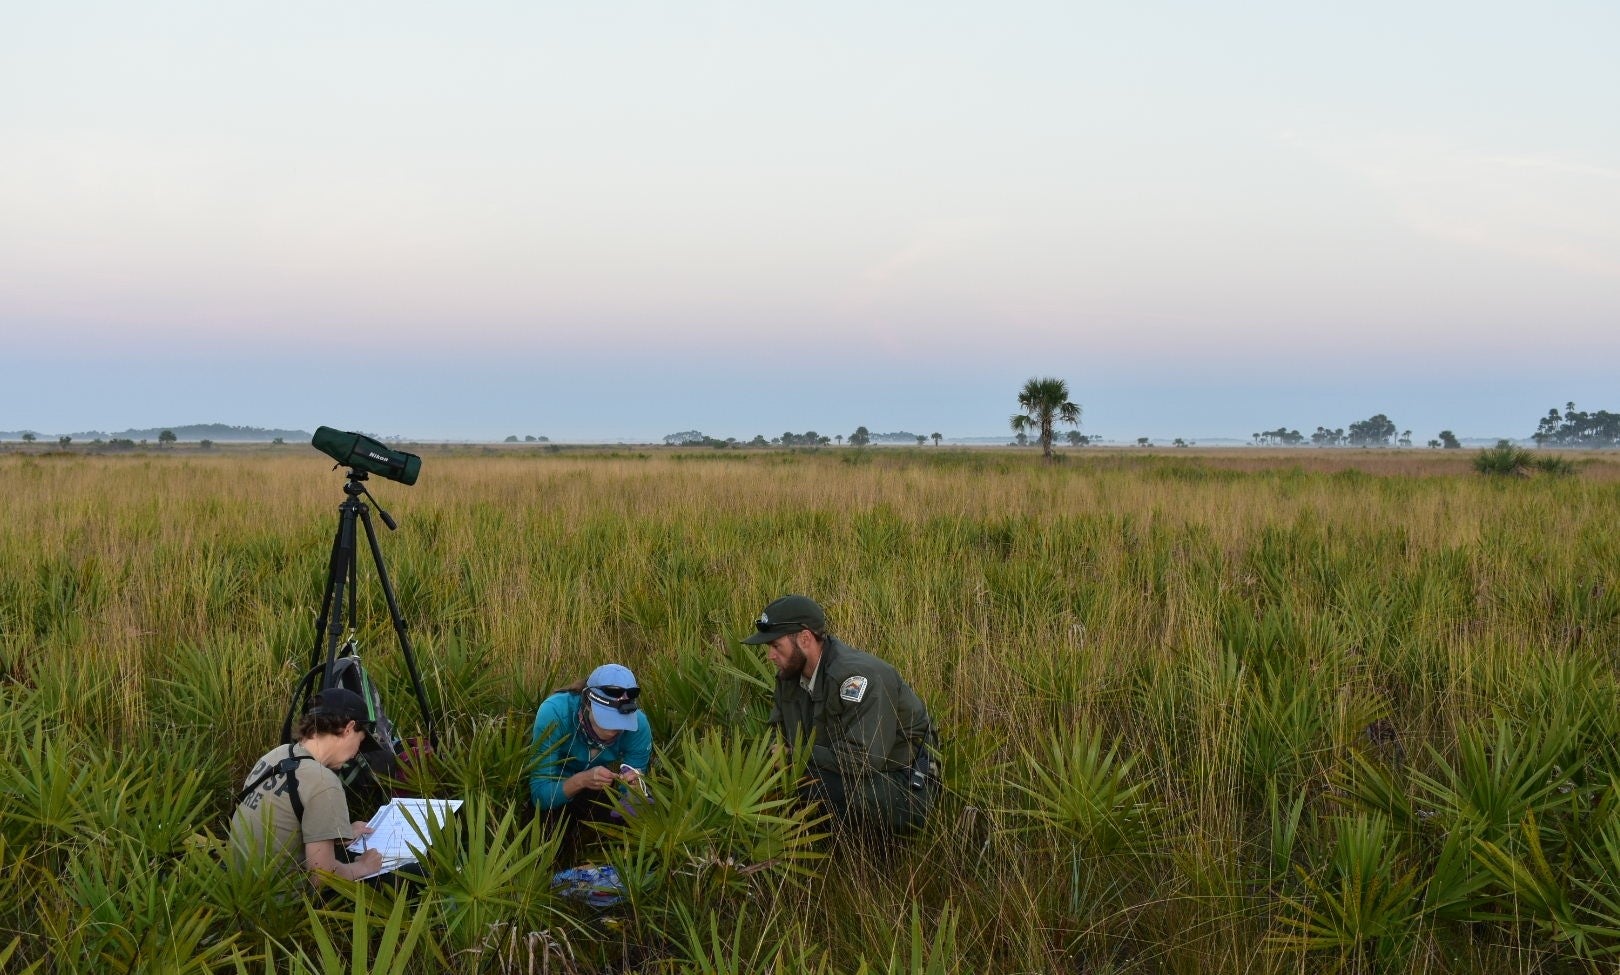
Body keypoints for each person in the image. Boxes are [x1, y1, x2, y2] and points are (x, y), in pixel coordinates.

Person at [743, 594, 938, 837]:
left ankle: (870, 852)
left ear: (805, 639)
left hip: (903, 786)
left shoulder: (858, 677)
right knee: (767, 771)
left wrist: (797, 754)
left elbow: (864, 759)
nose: (770, 656)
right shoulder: (790, 677)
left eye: (775, 646)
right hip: (841, 773)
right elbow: (779, 731)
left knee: (808, 781)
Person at [228, 687, 384, 886]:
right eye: (360, 741)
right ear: (348, 728)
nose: (356, 753)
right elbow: (321, 876)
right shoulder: (324, 783)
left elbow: (283, 825)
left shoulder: (276, 756)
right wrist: (362, 867)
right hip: (284, 904)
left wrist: (338, 834)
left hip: (240, 888)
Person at [529, 663, 652, 846]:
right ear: (587, 703)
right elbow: (540, 795)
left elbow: (633, 803)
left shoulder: (639, 726)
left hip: (598, 792)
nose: (615, 729)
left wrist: (634, 793)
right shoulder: (554, 712)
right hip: (556, 788)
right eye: (607, 719)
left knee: (636, 826)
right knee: (542, 823)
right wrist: (581, 780)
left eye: (621, 721)